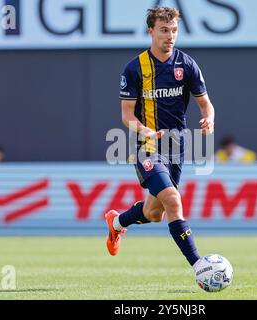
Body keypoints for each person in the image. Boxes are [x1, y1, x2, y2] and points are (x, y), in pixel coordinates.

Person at [105, 7, 215, 272]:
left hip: (177, 146)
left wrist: (209, 118)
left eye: (174, 30)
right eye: (164, 30)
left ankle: (117, 222)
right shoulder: (135, 68)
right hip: (147, 146)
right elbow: (127, 115)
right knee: (173, 200)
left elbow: (206, 104)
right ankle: (199, 265)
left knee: (155, 214)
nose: (170, 36)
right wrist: (144, 131)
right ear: (151, 31)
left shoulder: (186, 64)